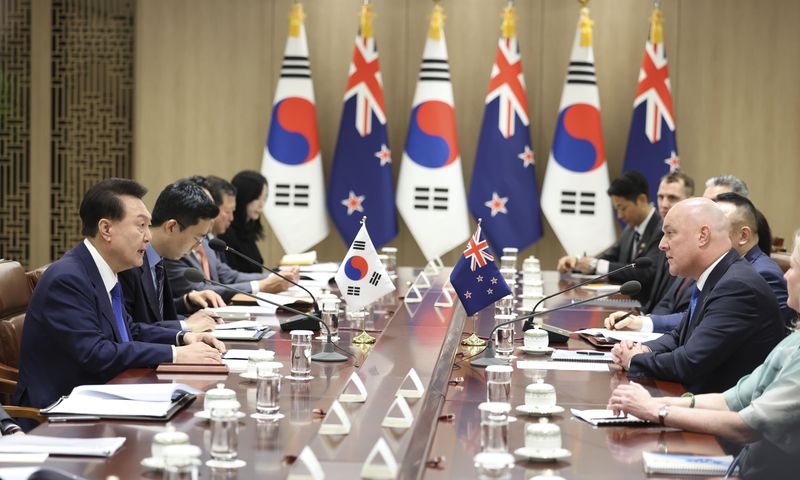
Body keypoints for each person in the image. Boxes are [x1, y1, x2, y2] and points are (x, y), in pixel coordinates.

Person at [13, 178, 226, 410]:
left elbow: (129, 331)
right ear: (106, 229)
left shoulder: (104, 270)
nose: (149, 236)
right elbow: (96, 352)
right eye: (141, 225)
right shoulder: (67, 278)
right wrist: (176, 354)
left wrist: (183, 338)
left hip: (104, 395)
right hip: (58, 410)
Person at [608, 231, 800, 479]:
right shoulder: (794, 340)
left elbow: (745, 426)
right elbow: (730, 400)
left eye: (793, 268)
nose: (786, 275)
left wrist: (657, 412)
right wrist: (653, 403)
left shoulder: (736, 283)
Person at [610, 198, 785, 394]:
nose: (661, 245)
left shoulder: (736, 286)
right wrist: (640, 348)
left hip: (723, 413)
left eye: (670, 233)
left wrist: (635, 359)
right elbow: (679, 337)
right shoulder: (718, 274)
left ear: (703, 236)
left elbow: (689, 363)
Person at [606, 193, 794, 333]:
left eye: (719, 224)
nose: (707, 232)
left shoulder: (760, 275)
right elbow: (696, 317)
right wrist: (642, 323)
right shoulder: (717, 268)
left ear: (743, 236)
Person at [164, 174, 297, 303]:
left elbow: (229, 276)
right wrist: (262, 285)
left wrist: (276, 276)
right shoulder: (172, 253)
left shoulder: (204, 243)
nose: (212, 216)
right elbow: (201, 292)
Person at [119, 180, 225, 332]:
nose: (199, 246)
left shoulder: (159, 260)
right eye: (197, 238)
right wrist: (185, 326)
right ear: (172, 227)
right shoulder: (128, 263)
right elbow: (130, 330)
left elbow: (156, 316)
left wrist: (186, 301)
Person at [556, 171, 662, 304]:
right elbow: (609, 257)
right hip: (623, 302)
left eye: (622, 208)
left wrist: (595, 265)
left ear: (641, 200)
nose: (620, 215)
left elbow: (645, 273)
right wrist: (577, 263)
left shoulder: (660, 229)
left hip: (644, 307)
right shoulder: (630, 230)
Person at [219, 170, 269, 274]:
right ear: (243, 197)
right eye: (257, 198)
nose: (261, 204)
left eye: (264, 199)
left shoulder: (247, 229)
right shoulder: (225, 231)